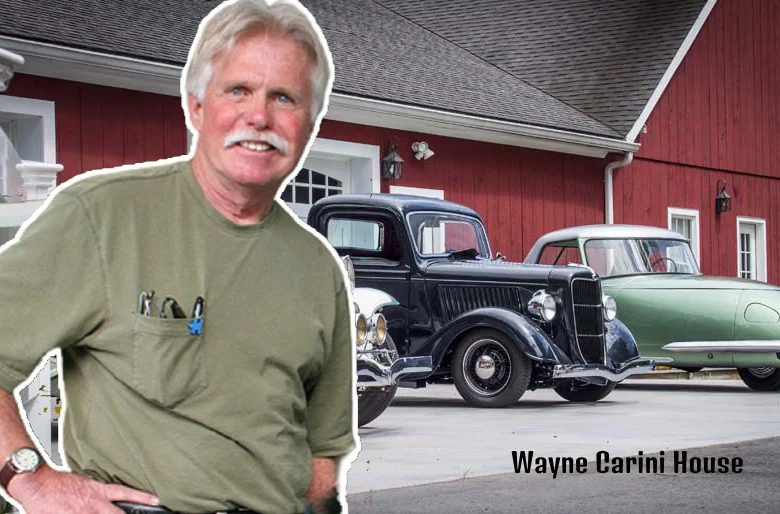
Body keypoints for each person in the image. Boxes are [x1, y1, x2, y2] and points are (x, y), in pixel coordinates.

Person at [0, 0, 356, 513]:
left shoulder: (318, 268)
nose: (259, 117)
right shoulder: (103, 216)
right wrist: (28, 478)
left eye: (284, 98)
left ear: (311, 124)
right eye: (238, 90)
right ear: (196, 107)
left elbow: (323, 454)